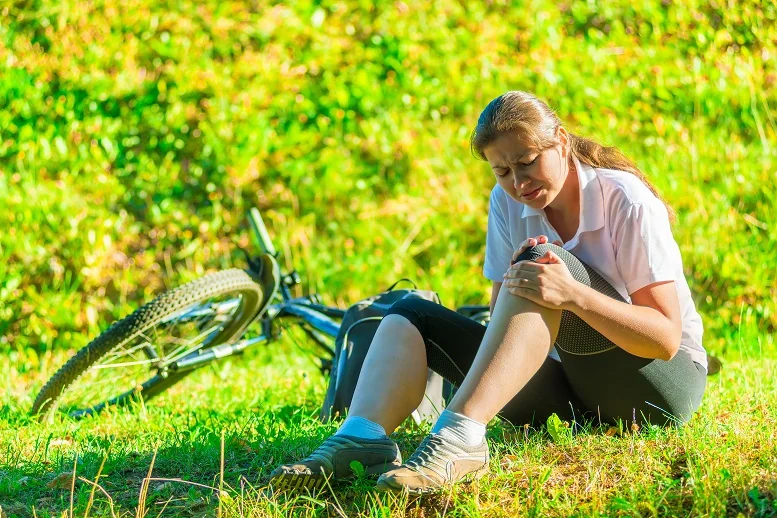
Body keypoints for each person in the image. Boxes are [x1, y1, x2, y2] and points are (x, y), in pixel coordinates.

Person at [268, 90, 708, 495]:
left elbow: (666, 339)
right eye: (502, 171)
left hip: (653, 392)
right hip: (568, 396)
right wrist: (537, 286)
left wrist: (572, 295)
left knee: (541, 264)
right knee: (411, 312)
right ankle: (362, 438)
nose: (519, 183)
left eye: (528, 161)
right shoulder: (508, 203)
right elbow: (504, 323)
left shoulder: (625, 200)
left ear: (560, 140)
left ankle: (459, 441)